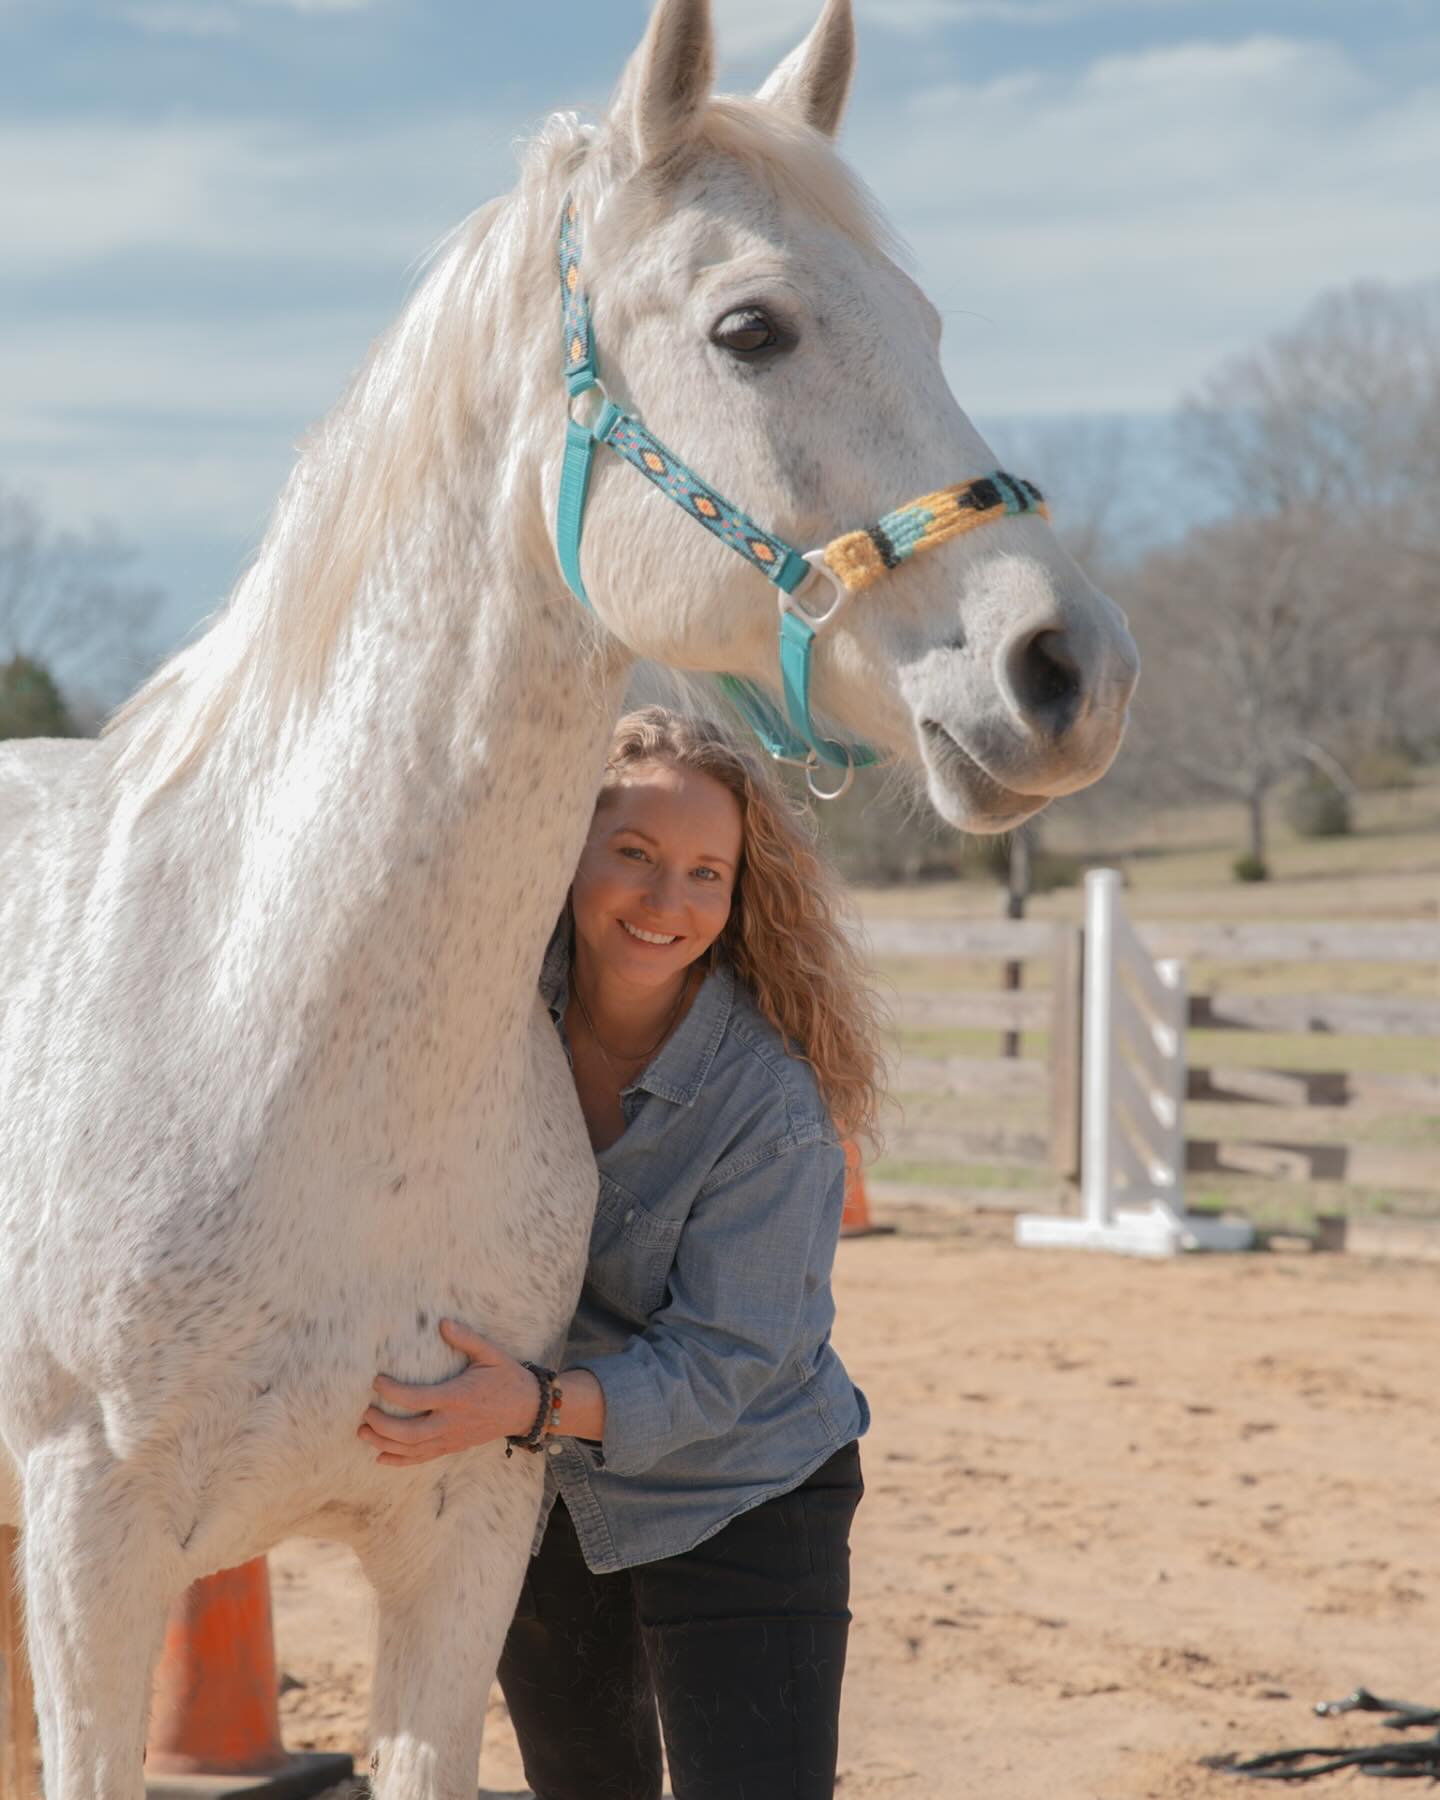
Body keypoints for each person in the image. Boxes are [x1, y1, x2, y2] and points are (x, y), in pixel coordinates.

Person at [359, 705, 884, 1800]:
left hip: (743, 1489)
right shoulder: (490, 1015)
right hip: (540, 1488)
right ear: (567, 850)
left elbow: (728, 1363)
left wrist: (527, 1407)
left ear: (740, 896)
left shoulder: (768, 1108)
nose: (666, 903)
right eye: (635, 856)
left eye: (706, 874)